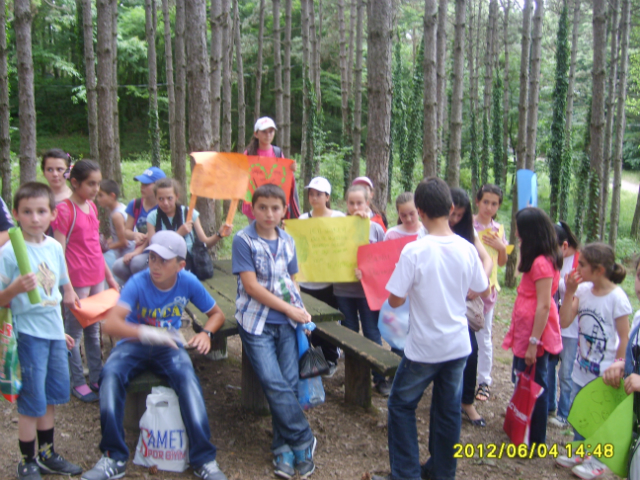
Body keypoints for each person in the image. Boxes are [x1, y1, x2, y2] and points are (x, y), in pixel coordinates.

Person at [81, 231, 228, 480]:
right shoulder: (139, 282)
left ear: (180, 265)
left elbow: (217, 314)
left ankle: (204, 459)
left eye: (164, 260)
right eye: (152, 258)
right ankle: (113, 457)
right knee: (110, 375)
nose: (155, 265)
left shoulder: (188, 281)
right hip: (133, 344)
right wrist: (148, 333)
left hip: (168, 347)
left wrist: (206, 334)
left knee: (188, 381)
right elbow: (110, 325)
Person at [381, 178, 489, 480]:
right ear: (451, 208)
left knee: (401, 405)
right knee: (447, 411)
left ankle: (405, 473)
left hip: (424, 348)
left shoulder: (415, 251)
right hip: (457, 346)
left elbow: (395, 298)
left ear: (420, 211)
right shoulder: (466, 248)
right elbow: (480, 287)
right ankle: (442, 472)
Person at [232, 184, 317, 479]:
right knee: (272, 381)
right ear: (252, 209)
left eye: (275, 208)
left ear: (284, 211)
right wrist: (288, 309)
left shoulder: (288, 241)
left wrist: (299, 310)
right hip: (256, 322)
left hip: (287, 324)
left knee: (290, 384)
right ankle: (304, 438)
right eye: (262, 207)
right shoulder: (243, 240)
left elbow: (291, 281)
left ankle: (284, 449)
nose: (269, 213)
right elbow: (252, 287)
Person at [0, 182, 82, 480]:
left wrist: (61, 330)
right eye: (27, 212)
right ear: (16, 215)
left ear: (51, 214)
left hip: (53, 334)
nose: (34, 218)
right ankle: (27, 460)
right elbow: (0, 299)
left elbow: (59, 287)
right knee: (31, 401)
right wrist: (14, 288)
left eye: (40, 211)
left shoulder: (54, 247)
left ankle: (47, 454)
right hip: (29, 337)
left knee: (51, 396)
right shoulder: (10, 252)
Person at [555, 243, 631, 479]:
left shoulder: (617, 298)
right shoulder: (583, 291)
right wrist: (569, 292)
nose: (577, 267)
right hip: (581, 368)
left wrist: (619, 365)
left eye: (583, 264)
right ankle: (579, 451)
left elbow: (625, 336)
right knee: (581, 415)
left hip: (606, 374)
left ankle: (597, 460)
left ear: (599, 270)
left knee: (600, 419)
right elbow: (565, 321)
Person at [51, 160, 120, 403]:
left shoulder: (91, 207)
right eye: (91, 183)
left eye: (98, 183)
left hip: (96, 276)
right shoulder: (64, 210)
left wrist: (109, 277)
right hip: (76, 279)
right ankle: (76, 380)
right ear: (75, 183)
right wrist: (66, 287)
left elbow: (95, 246)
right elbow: (58, 251)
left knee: (94, 330)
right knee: (74, 332)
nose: (95, 188)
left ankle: (97, 376)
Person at [502, 207, 563, 447]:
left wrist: (533, 343)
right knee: (528, 379)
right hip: (527, 330)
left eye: (520, 228)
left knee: (537, 385)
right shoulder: (538, 257)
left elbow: (544, 306)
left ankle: (534, 439)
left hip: (535, 335)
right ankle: (524, 428)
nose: (517, 233)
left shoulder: (541, 263)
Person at [334, 185, 389, 395]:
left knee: (371, 332)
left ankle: (379, 377)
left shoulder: (375, 229)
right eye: (351, 203)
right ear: (346, 204)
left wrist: (368, 271)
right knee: (349, 332)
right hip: (343, 289)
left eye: (360, 202)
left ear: (368, 203)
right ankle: (354, 375)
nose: (356, 206)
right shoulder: (338, 226)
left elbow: (384, 262)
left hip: (368, 292)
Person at [449, 187, 493, 428]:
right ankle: (446, 396)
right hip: (441, 302)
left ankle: (467, 401)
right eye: (452, 215)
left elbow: (486, 259)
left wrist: (480, 282)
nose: (454, 220)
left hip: (463, 304)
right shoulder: (433, 232)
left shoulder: (468, 234)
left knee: (471, 350)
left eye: (460, 216)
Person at [297, 176, 345, 376]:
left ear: (327, 196)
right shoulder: (302, 220)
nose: (314, 197)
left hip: (330, 282)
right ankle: (317, 359)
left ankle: (331, 358)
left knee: (329, 322)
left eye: (319, 194)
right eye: (311, 194)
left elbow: (346, 244)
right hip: (308, 280)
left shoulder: (339, 218)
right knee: (312, 322)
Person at [473, 184, 508, 402]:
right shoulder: (469, 225)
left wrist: (501, 247)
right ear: (477, 201)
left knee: (484, 336)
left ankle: (483, 381)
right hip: (465, 287)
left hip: (488, 289)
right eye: (485, 201)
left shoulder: (499, 230)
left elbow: (501, 262)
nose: (489, 207)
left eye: (494, 203)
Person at [547, 221, 580, 429]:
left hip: (572, 327)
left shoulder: (579, 261)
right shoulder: (555, 259)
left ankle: (565, 412)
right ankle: (549, 405)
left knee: (566, 371)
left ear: (565, 245)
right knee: (550, 366)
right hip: (554, 324)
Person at [146, 178, 232, 257]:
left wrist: (219, 234)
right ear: (156, 199)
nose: (165, 203)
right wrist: (178, 234)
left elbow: (205, 243)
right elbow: (153, 247)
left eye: (169, 198)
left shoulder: (190, 214)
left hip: (188, 260)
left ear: (177, 197)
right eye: (161, 199)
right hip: (162, 261)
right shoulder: (153, 217)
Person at [112, 166, 166, 282]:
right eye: (142, 184)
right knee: (118, 267)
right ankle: (136, 287)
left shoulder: (164, 207)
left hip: (155, 251)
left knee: (136, 264)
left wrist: (136, 252)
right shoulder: (135, 204)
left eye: (147, 185)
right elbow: (127, 231)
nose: (142, 187)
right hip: (139, 249)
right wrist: (134, 235)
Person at [243, 116, 301, 220]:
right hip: (254, 203)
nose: (268, 135)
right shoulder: (249, 153)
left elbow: (284, 175)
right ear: (256, 134)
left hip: (273, 202)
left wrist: (291, 168)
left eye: (271, 131)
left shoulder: (277, 152)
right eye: (264, 132)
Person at [96, 179, 135, 276]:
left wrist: (104, 248)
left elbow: (124, 242)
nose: (97, 199)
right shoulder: (119, 208)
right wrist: (109, 240)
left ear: (112, 196)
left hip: (127, 255)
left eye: (101, 195)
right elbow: (117, 235)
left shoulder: (117, 215)